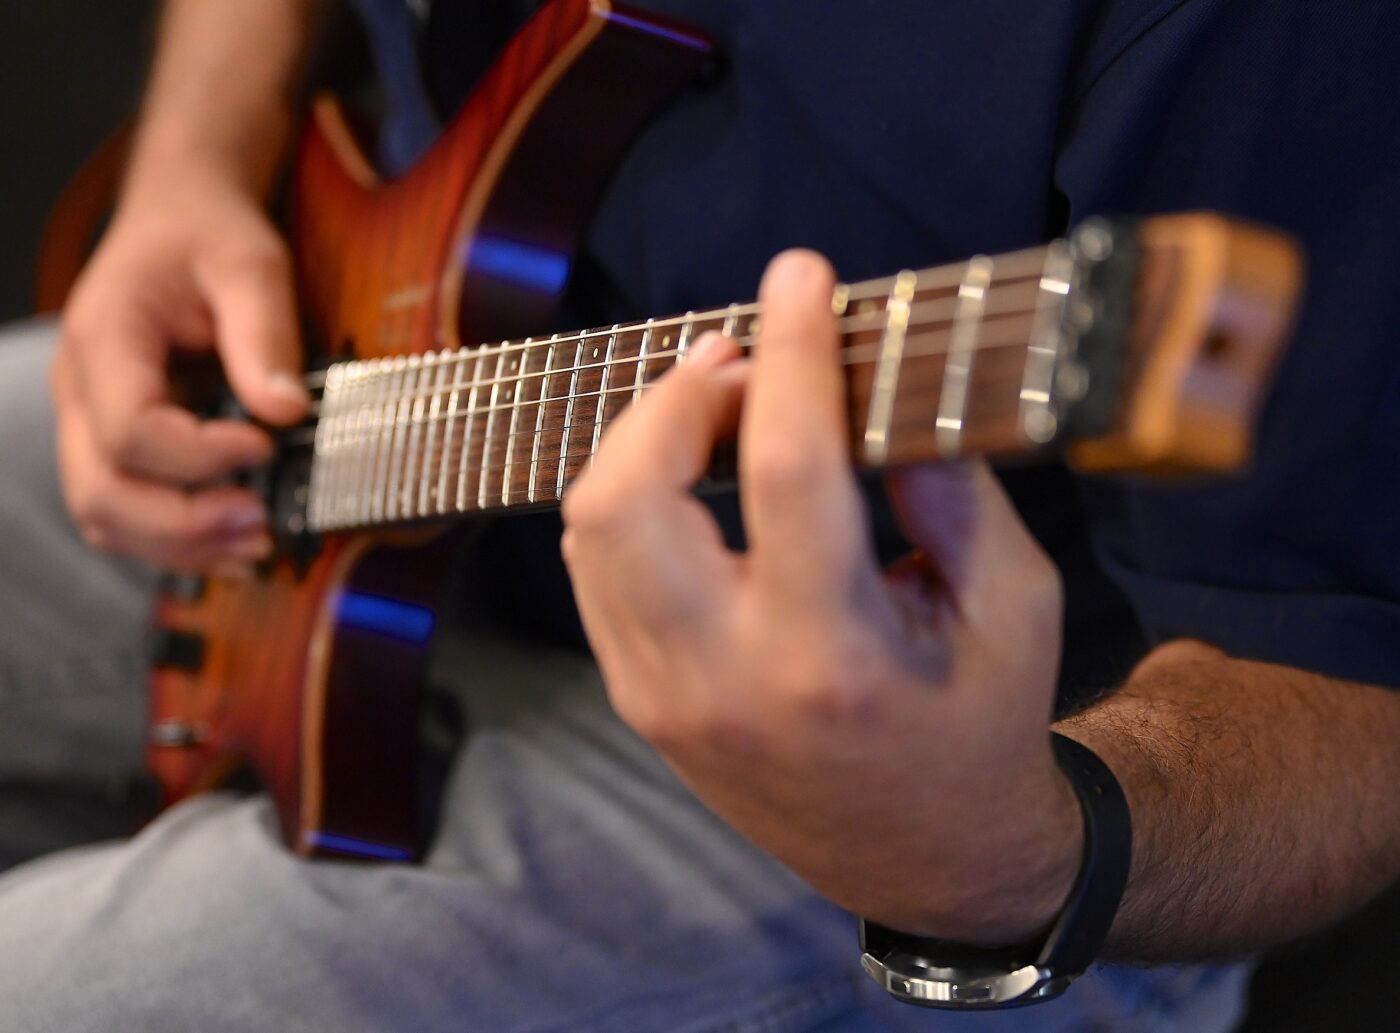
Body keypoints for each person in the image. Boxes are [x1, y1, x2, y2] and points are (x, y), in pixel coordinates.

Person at [1, 0, 1398, 1029]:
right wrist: (193, 159)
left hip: (906, 768)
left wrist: (1007, 848)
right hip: (342, 389)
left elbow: (1354, 696)